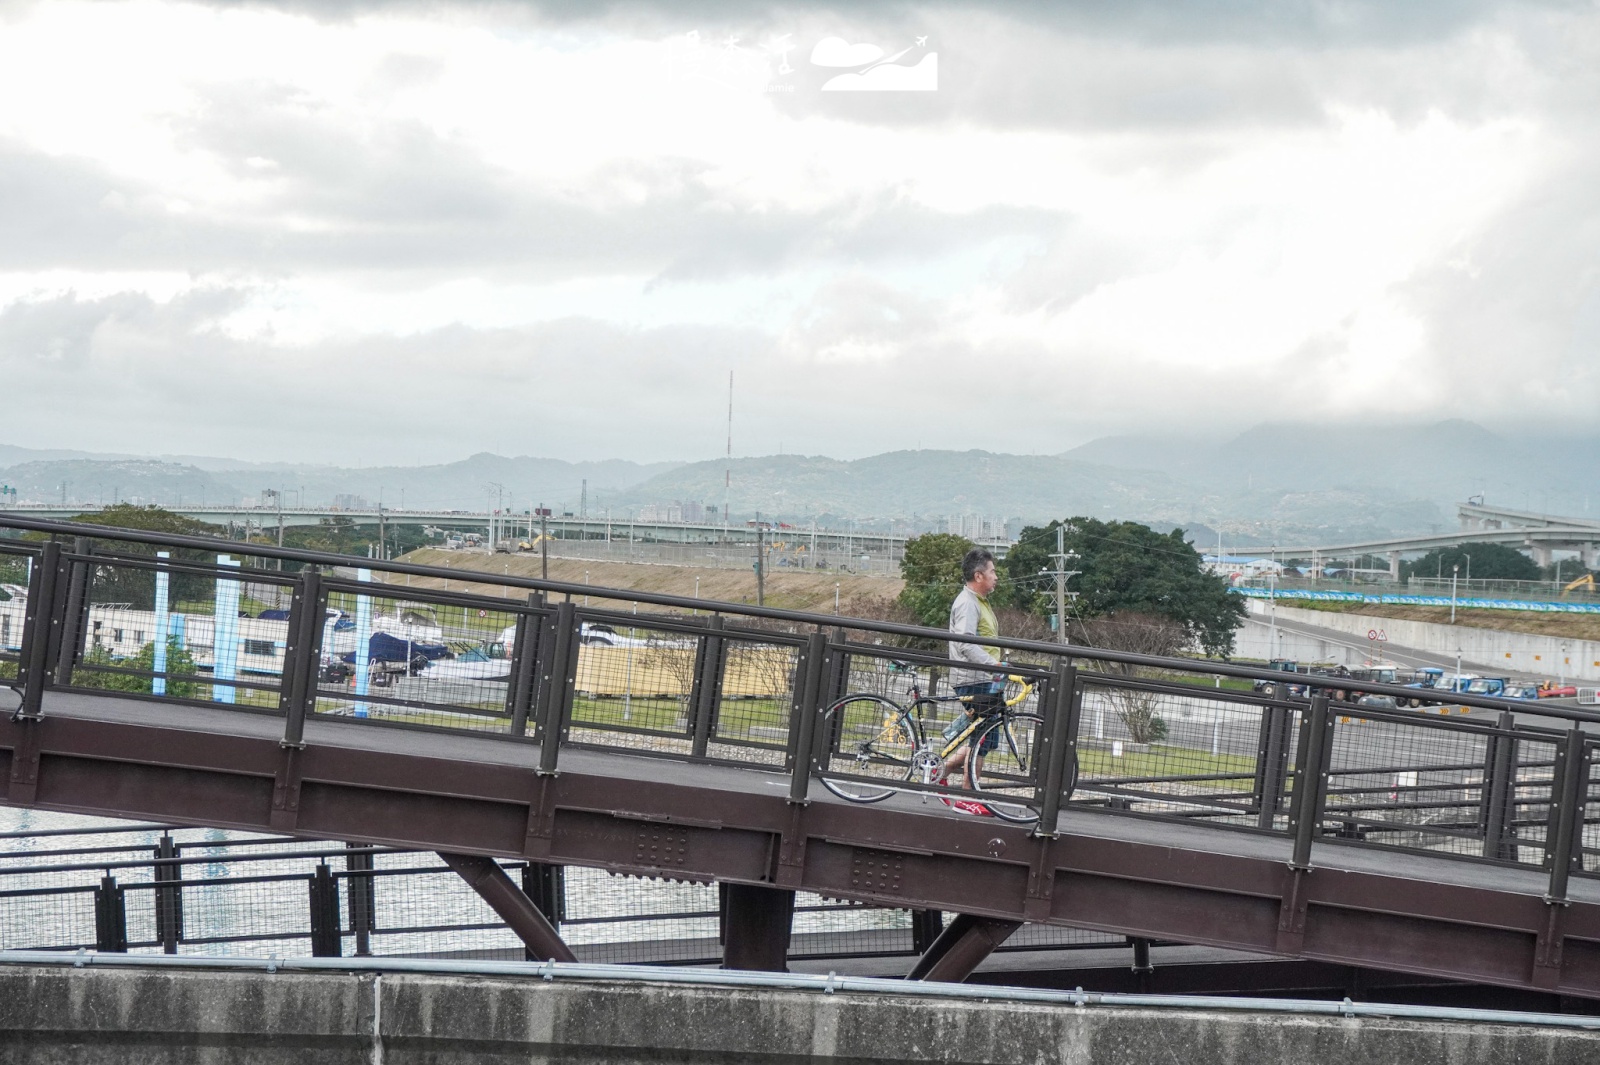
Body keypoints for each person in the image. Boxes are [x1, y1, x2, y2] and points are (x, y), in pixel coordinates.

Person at [941, 548, 1007, 811]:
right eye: (992, 572)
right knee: (981, 740)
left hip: (984, 677)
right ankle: (968, 799)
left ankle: (939, 770)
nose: (996, 577)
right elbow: (965, 644)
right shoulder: (968, 603)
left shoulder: (979, 602)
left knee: (982, 738)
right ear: (978, 575)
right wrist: (994, 664)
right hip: (974, 677)